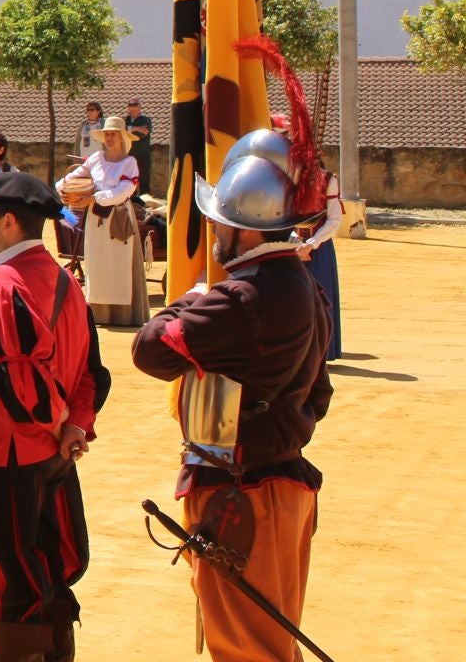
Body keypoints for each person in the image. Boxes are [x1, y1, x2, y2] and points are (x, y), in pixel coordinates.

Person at [132, 95, 333, 662]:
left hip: (242, 498)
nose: (212, 229)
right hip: (278, 486)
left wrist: (190, 298)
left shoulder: (238, 298)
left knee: (248, 647)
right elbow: (319, 394)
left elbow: (149, 350)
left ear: (244, 228)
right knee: (264, 640)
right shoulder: (301, 284)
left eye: (218, 219)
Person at [0, 171, 98, 662]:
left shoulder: (4, 283)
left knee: (9, 573)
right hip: (53, 447)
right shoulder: (64, 280)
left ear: (10, 221)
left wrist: (52, 421)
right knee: (46, 563)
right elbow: (91, 371)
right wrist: (73, 423)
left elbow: (25, 379)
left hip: (6, 448)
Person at [57, 115, 146, 326]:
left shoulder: (129, 163)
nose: (109, 137)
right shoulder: (96, 158)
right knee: (97, 265)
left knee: (119, 265)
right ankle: (99, 315)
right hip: (95, 217)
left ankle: (124, 316)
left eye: (113, 134)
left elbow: (124, 191)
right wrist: (62, 188)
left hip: (118, 218)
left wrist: (94, 198)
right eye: (107, 134)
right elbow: (71, 177)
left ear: (123, 137)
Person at [277, 111, 343, 360]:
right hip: (293, 246)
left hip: (319, 248)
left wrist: (312, 244)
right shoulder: (289, 181)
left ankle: (321, 352)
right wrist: (294, 240)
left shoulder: (328, 180)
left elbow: (335, 219)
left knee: (319, 300)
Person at [124, 97, 155, 195]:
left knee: (144, 179)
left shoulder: (146, 120)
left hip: (143, 154)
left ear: (140, 107)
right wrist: (137, 128)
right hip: (128, 154)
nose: (133, 107)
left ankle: (144, 203)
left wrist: (130, 130)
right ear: (128, 107)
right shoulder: (125, 120)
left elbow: (144, 133)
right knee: (129, 179)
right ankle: (131, 201)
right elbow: (122, 131)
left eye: (135, 105)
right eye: (130, 105)